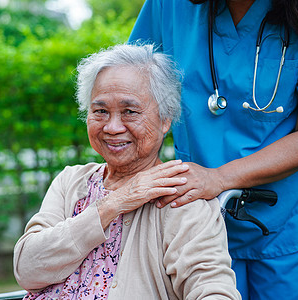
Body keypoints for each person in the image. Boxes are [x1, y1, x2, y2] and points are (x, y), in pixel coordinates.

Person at [129, 0, 298, 299]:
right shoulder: (170, 5)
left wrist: (218, 178)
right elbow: (136, 90)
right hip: (200, 217)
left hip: (293, 215)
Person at [13, 44, 241, 300]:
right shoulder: (70, 182)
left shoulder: (180, 197)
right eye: (100, 111)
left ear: (165, 119)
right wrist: (114, 203)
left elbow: (211, 288)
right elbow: (27, 269)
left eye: (129, 112)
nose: (112, 127)